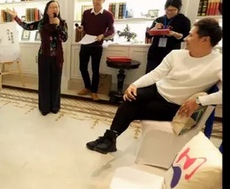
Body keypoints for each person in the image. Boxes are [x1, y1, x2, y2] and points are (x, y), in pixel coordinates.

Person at [86, 17, 222, 155]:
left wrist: (199, 101)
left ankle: (109, 139)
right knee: (130, 98)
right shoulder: (176, 55)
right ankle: (110, 138)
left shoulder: (218, 62)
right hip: (157, 90)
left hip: (174, 104)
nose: (186, 38)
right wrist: (134, 84)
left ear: (205, 40)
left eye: (191, 35)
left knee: (133, 109)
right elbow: (156, 74)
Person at [5, 0, 68, 115]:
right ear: (47, 10)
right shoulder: (41, 23)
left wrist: (58, 26)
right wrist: (16, 17)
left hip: (57, 57)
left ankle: (55, 107)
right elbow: (26, 26)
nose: (55, 9)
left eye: (56, 7)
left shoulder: (62, 23)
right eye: (52, 7)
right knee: (44, 82)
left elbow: (64, 38)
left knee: (55, 82)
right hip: (44, 56)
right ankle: (44, 107)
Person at [76, 0, 115, 101]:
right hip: (85, 43)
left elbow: (111, 30)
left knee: (95, 69)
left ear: (103, 0)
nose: (95, 1)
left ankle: (94, 91)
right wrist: (81, 28)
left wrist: (103, 35)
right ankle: (87, 87)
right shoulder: (86, 13)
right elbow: (83, 26)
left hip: (97, 45)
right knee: (82, 67)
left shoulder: (108, 15)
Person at [145, 0, 191, 73]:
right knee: (151, 75)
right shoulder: (159, 20)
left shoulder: (184, 20)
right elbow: (148, 35)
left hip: (171, 53)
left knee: (167, 76)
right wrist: (155, 29)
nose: (169, 12)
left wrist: (174, 34)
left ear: (178, 10)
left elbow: (186, 37)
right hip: (155, 53)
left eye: (173, 10)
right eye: (167, 10)